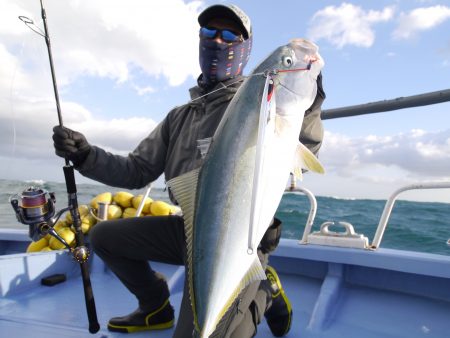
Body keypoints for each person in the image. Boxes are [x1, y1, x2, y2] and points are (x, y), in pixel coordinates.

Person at [52, 4, 325, 337]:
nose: (218, 42)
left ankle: (262, 289)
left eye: (229, 35)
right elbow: (136, 170)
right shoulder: (180, 117)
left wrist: (309, 105)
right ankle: (155, 306)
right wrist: (86, 155)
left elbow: (303, 147)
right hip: (191, 230)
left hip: (241, 238)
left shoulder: (258, 101)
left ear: (244, 47)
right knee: (103, 237)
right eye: (210, 33)